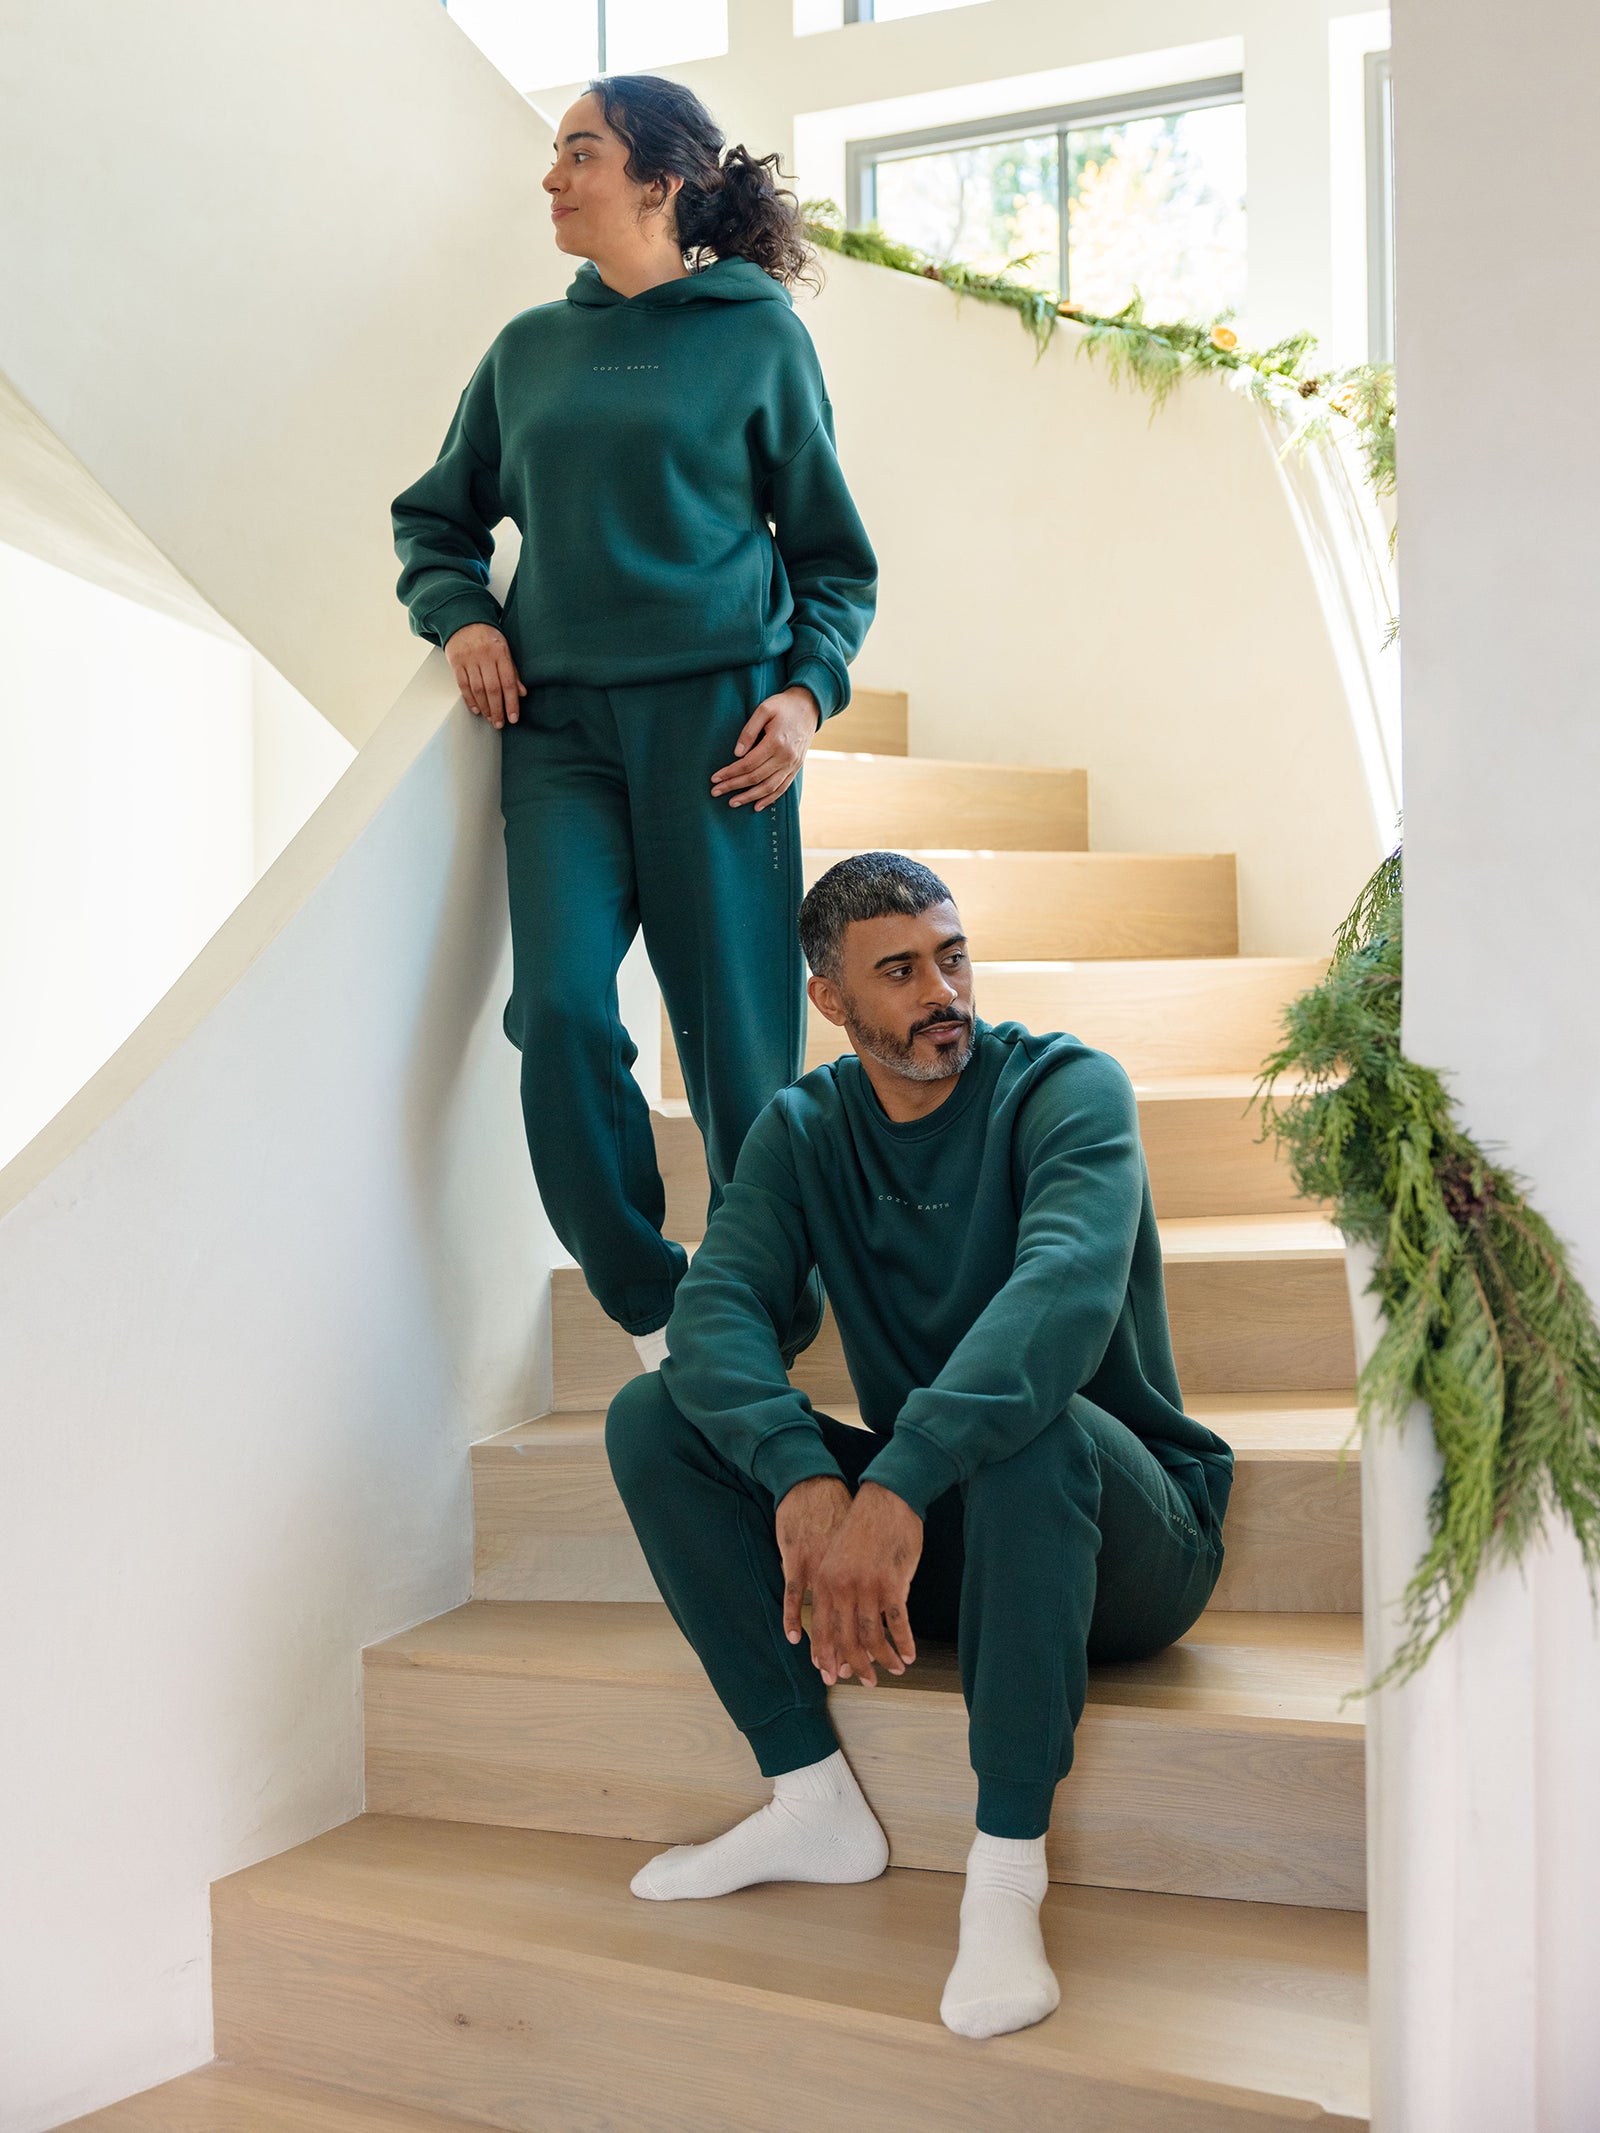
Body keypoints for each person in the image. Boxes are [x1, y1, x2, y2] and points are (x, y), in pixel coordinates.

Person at [604, 851, 1235, 2040]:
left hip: (1124, 1541)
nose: (941, 990)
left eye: (950, 955)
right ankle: (810, 1799)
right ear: (831, 1002)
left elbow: (1059, 1295)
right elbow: (718, 1308)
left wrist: (893, 1478)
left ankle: (1004, 1876)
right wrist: (797, 1470)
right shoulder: (803, 1129)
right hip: (949, 1530)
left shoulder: (1066, 1088)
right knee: (654, 1417)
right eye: (898, 971)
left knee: (1028, 1428)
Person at [390, 75, 876, 1368]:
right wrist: (464, 617)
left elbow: (832, 557)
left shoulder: (759, 337)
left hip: (724, 735)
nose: (553, 177)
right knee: (557, 1011)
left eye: (579, 153)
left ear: (660, 179)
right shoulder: (526, 351)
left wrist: (804, 691)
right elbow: (435, 519)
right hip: (561, 738)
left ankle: (768, 1304)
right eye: (556, 154)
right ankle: (649, 1284)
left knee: (740, 1052)